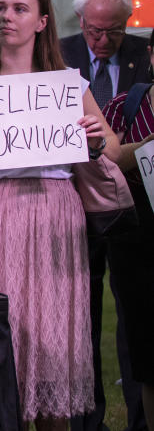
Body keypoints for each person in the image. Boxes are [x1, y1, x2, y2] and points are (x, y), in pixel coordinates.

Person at [0, 0, 124, 430]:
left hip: (54, 213)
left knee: (50, 341)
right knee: (1, 332)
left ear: (42, 21)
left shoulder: (67, 84)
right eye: (0, 7)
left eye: (19, 8)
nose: (6, 16)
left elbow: (110, 147)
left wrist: (94, 143)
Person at [61, 0, 148, 431]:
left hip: (133, 205)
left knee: (135, 319)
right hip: (75, 207)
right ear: (80, 22)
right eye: (94, 30)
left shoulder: (146, 53)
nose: (101, 41)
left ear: (127, 24)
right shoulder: (56, 55)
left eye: (112, 31)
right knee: (83, 318)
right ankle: (86, 419)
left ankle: (140, 416)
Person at [101, 34, 154, 431]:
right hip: (139, 249)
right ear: (151, 54)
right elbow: (103, 163)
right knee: (148, 357)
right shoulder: (124, 106)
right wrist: (147, 146)